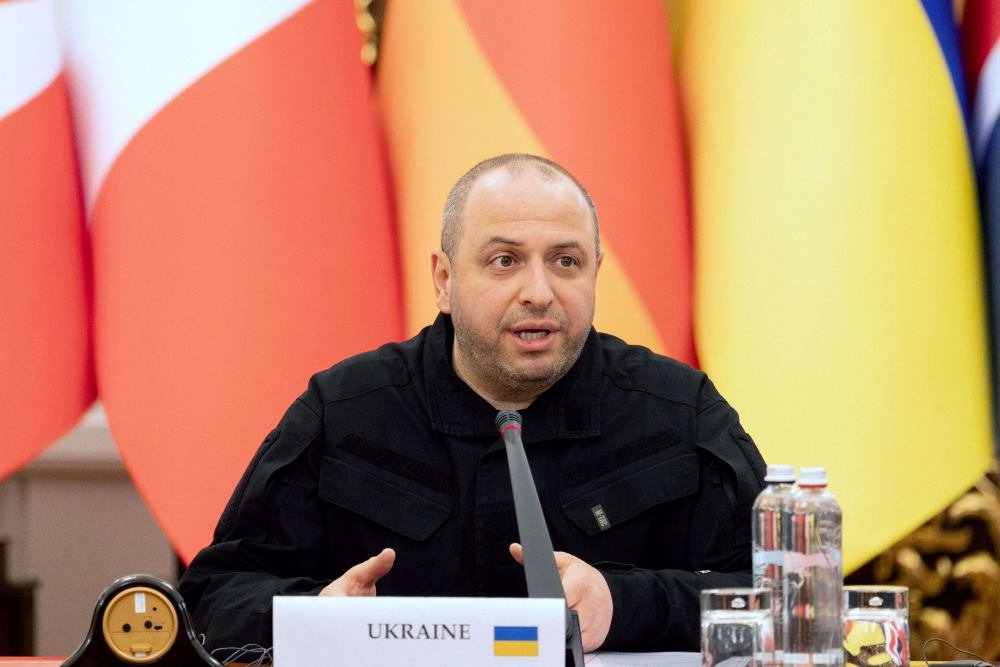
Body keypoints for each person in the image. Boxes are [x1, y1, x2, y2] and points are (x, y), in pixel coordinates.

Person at [179, 153, 766, 653]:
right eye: (505, 261)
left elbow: (777, 601)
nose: (539, 292)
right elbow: (210, 598)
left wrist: (627, 603)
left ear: (595, 273)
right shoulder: (344, 412)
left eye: (566, 261)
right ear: (444, 280)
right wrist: (316, 617)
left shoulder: (677, 410)